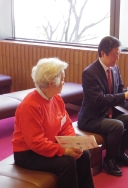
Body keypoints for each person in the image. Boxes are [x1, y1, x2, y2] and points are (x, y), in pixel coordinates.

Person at [12, 58, 95, 188]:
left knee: (83, 154)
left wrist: (71, 143)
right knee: (66, 163)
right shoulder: (30, 105)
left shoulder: (56, 98)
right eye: (62, 79)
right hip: (28, 154)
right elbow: (35, 142)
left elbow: (66, 124)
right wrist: (63, 150)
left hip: (49, 144)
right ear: (52, 83)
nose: (64, 82)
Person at [78, 36, 128, 177]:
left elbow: (119, 91)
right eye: (115, 54)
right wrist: (125, 95)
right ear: (103, 53)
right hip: (91, 117)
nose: (117, 58)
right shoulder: (89, 73)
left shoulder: (114, 69)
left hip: (108, 113)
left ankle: (120, 154)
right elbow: (99, 100)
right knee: (117, 125)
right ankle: (109, 160)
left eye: (118, 54)